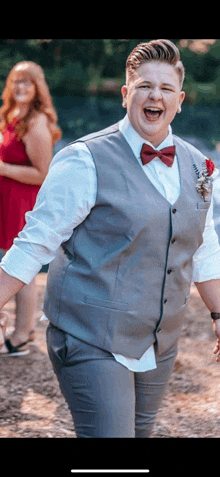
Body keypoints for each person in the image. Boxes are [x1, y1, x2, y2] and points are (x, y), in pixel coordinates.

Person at [0, 39, 220, 437]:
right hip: (89, 334)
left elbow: (203, 247)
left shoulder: (198, 165)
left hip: (159, 342)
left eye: (166, 88)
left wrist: (219, 315)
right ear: (125, 94)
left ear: (180, 99)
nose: (155, 95)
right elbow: (34, 244)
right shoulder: (83, 160)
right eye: (144, 86)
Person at [0, 61, 61, 356]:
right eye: (16, 81)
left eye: (27, 82)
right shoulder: (13, 115)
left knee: (21, 269)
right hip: (7, 199)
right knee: (12, 265)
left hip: (23, 203)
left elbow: (43, 173)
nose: (20, 87)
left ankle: (22, 334)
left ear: (38, 88)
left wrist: (2, 167)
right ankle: (19, 326)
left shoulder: (37, 121)